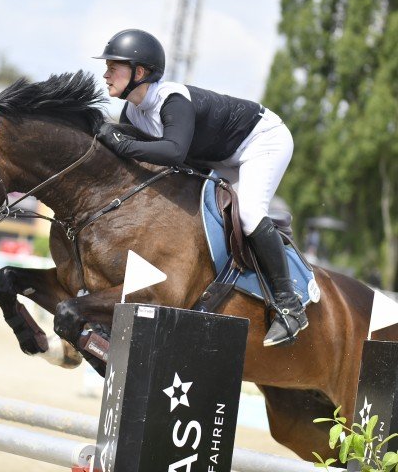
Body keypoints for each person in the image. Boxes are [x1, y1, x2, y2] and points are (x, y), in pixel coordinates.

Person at [94, 29, 307, 347]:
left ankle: (290, 306)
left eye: (114, 66)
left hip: (262, 141)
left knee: (248, 213)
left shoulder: (172, 100)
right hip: (220, 158)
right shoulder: (133, 113)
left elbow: (173, 152)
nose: (106, 73)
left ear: (140, 72)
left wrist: (119, 142)